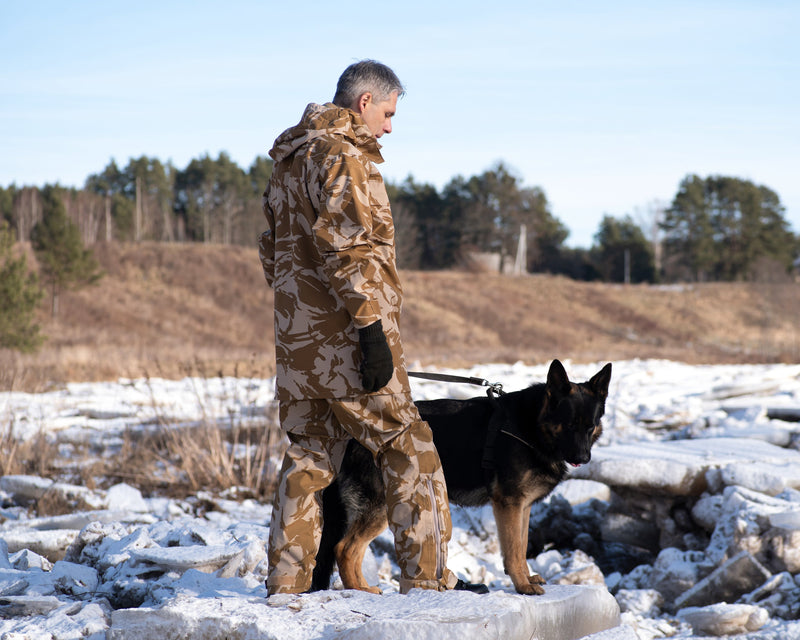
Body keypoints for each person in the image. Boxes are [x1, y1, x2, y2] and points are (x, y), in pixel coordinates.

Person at [258, 59, 486, 595]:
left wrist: (304, 323)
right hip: (352, 346)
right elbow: (351, 248)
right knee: (411, 447)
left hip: (299, 349)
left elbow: (272, 255)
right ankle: (427, 583)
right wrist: (368, 328)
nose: (389, 126)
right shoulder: (343, 155)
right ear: (364, 103)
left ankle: (287, 586)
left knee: (309, 459)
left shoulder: (289, 161)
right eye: (387, 112)